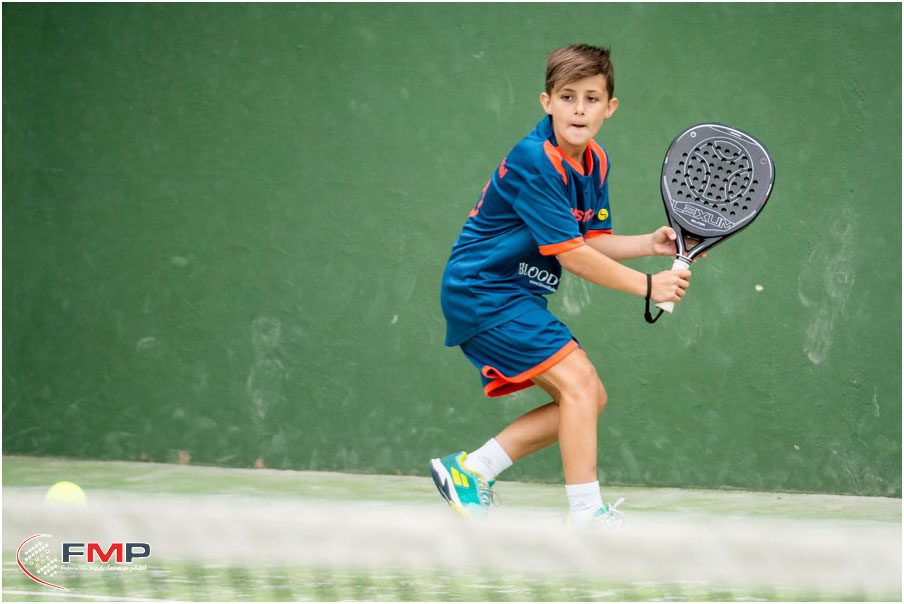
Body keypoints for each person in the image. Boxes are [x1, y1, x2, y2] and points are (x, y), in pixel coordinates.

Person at [429, 44, 693, 526]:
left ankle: (472, 470)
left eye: (592, 99)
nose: (579, 109)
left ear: (610, 107)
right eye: (567, 97)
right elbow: (572, 256)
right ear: (546, 102)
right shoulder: (535, 160)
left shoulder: (596, 161)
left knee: (589, 398)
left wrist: (648, 245)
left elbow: (590, 239)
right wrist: (649, 287)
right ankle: (587, 516)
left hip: (513, 292)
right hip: (482, 289)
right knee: (578, 385)